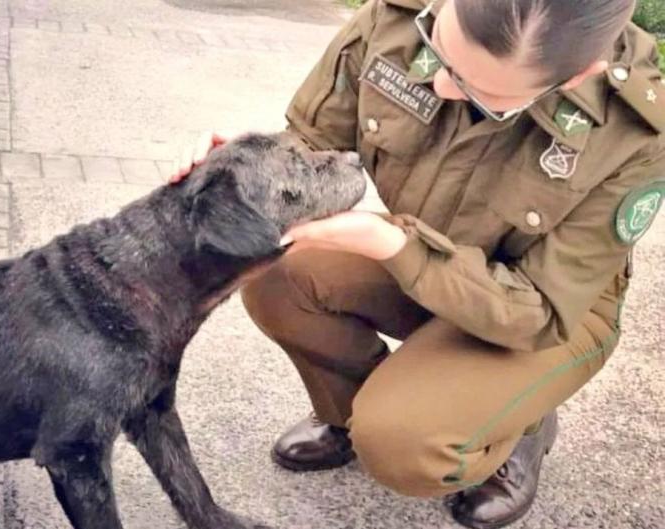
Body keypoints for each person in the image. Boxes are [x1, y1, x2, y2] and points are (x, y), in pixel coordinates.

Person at [172, 0, 665, 527]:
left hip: (540, 310)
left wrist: (395, 246)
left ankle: (519, 422)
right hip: (423, 248)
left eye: (485, 96)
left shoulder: (634, 130)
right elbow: (314, 141)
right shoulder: (397, 15)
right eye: (438, 49)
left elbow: (539, 310)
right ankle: (350, 413)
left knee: (405, 445)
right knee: (276, 268)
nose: (442, 87)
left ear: (578, 76)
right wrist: (247, 168)